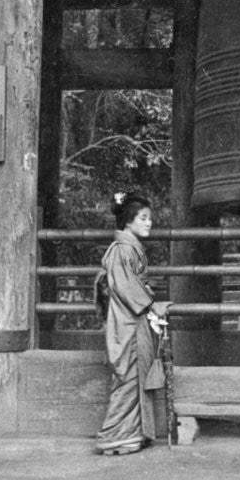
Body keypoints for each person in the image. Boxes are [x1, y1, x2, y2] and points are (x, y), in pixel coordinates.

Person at [96, 191, 166, 456]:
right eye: (143, 218)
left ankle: (131, 433)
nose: (149, 223)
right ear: (128, 220)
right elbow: (126, 287)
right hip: (127, 318)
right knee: (128, 374)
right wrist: (151, 305)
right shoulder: (123, 249)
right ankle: (115, 435)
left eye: (149, 218)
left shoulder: (128, 247)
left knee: (136, 374)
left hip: (131, 316)